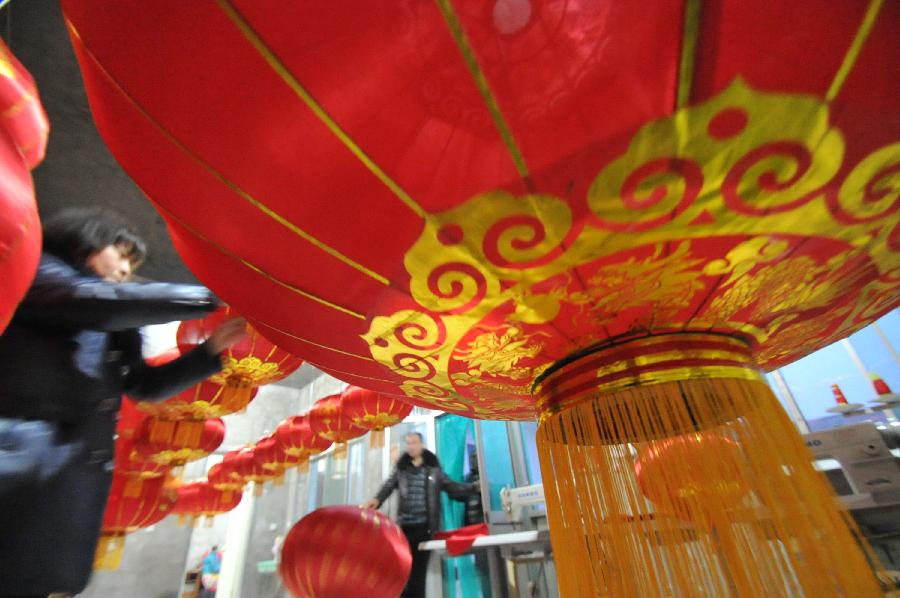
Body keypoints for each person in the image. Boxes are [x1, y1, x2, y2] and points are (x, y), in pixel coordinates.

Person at [0, 208, 247, 597]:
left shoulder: (111, 320)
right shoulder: (40, 273)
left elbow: (143, 386)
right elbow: (94, 301)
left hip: (62, 482)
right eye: (122, 255)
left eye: (132, 266)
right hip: (17, 460)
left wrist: (209, 353)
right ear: (86, 240)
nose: (125, 271)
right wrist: (209, 297)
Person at [362, 432, 479, 598]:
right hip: (403, 530)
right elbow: (388, 485)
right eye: (409, 443)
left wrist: (473, 488)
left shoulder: (434, 471)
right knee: (403, 573)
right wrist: (377, 499)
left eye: (414, 443)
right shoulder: (402, 469)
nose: (411, 446)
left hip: (424, 529)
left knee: (418, 575)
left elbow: (453, 487)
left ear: (422, 445)